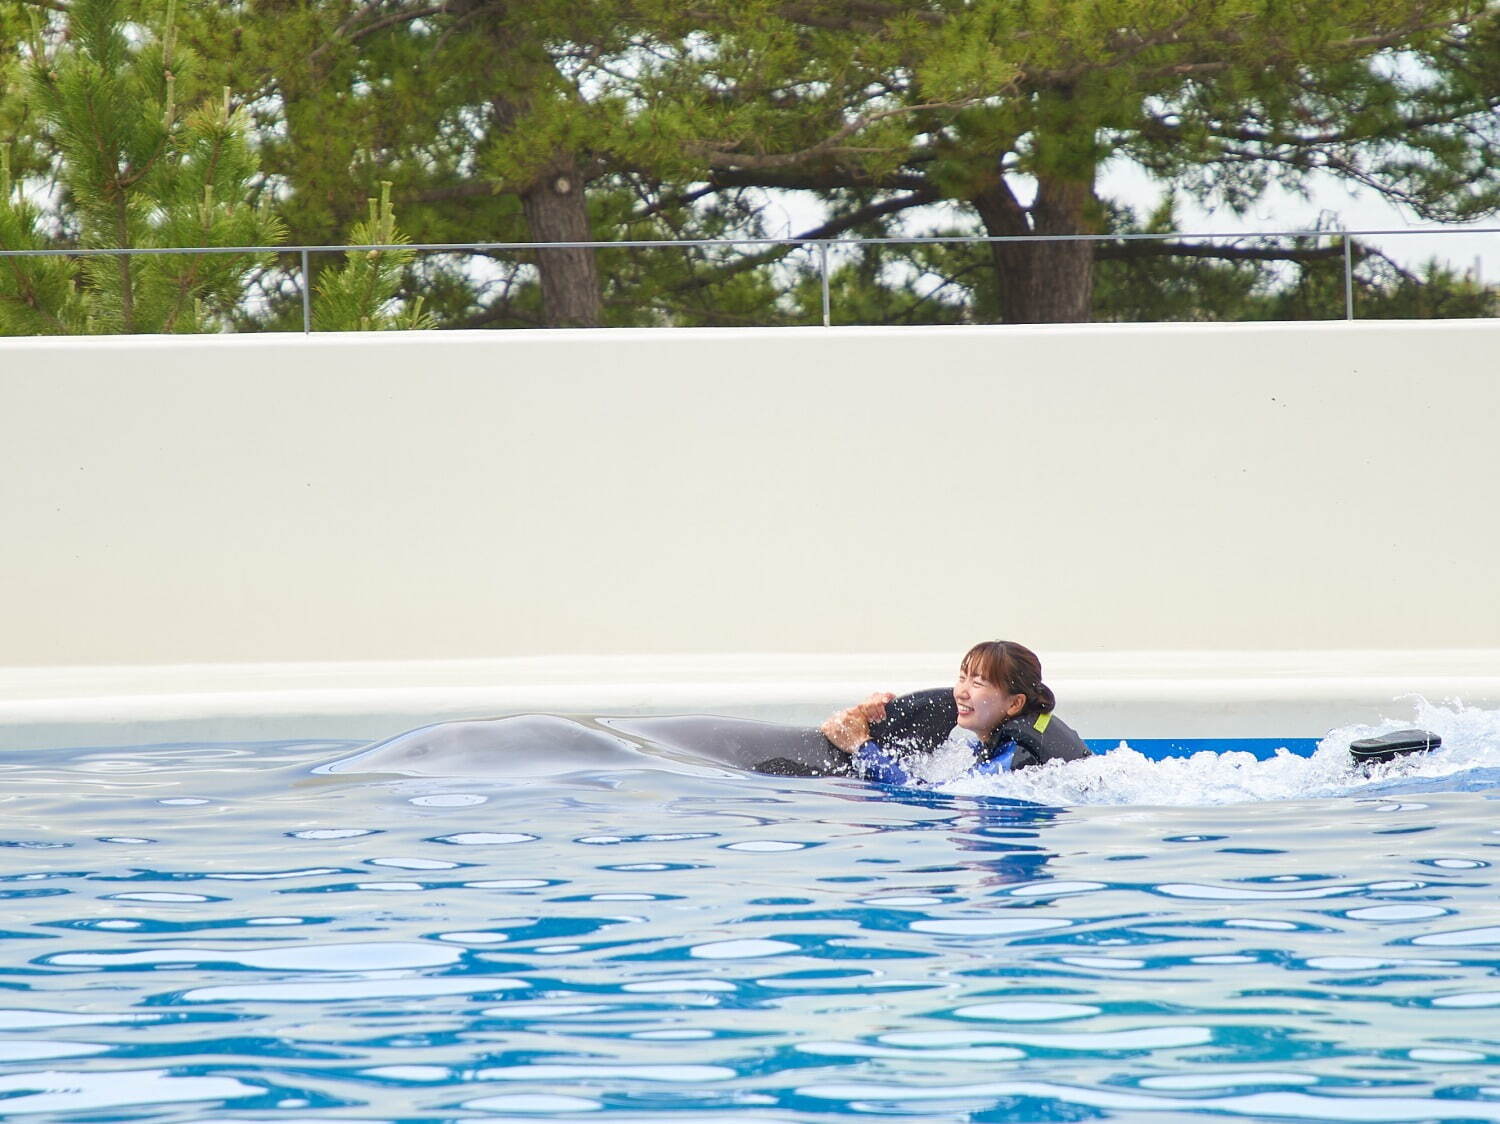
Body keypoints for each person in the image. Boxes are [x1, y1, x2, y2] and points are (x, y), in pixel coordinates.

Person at [819, 640, 1091, 787]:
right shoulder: (1005, 740)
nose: (961, 691)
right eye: (962, 678)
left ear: (1014, 704)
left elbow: (928, 796)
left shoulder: (1016, 755)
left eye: (977, 683)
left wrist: (860, 745)